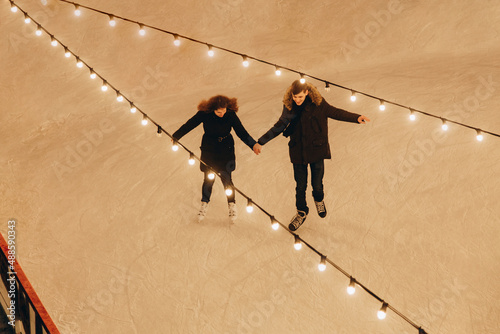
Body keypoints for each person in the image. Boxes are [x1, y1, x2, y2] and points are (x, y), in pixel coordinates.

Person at [257, 80, 370, 231]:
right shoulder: (289, 106)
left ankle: (318, 199)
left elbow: (335, 112)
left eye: (300, 97)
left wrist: (356, 118)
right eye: (295, 96)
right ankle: (302, 212)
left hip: (317, 149)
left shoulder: (318, 104)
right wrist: (260, 142)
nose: (297, 100)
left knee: (317, 184)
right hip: (298, 151)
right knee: (300, 186)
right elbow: (279, 126)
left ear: (307, 93)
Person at [173, 95, 262, 222]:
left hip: (226, 149)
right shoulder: (204, 114)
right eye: (219, 111)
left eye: (224, 110)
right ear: (213, 109)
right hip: (209, 149)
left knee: (227, 179)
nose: (222, 114)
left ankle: (232, 205)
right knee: (209, 178)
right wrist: (176, 136)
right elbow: (189, 125)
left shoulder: (230, 114)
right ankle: (204, 204)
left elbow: (241, 132)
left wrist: (253, 144)